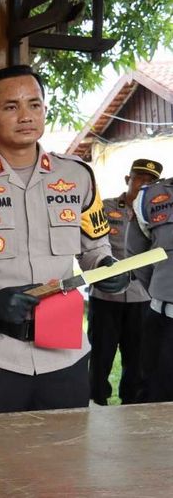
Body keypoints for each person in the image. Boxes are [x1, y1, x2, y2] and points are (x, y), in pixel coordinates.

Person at [0, 65, 129, 416]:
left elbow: (95, 248)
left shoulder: (77, 177)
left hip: (66, 355)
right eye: (11, 107)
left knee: (64, 463)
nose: (25, 116)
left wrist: (106, 267)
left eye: (34, 105)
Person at [88, 159, 162, 405]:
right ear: (127, 179)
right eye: (139, 178)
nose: (144, 184)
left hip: (142, 298)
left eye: (151, 181)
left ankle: (131, 409)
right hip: (105, 298)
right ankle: (96, 405)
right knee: (100, 356)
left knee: (137, 360)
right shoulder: (106, 209)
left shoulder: (158, 215)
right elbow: (91, 246)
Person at [127, 161, 173, 402]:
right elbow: (136, 254)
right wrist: (161, 290)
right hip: (166, 323)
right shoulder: (151, 197)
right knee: (157, 404)